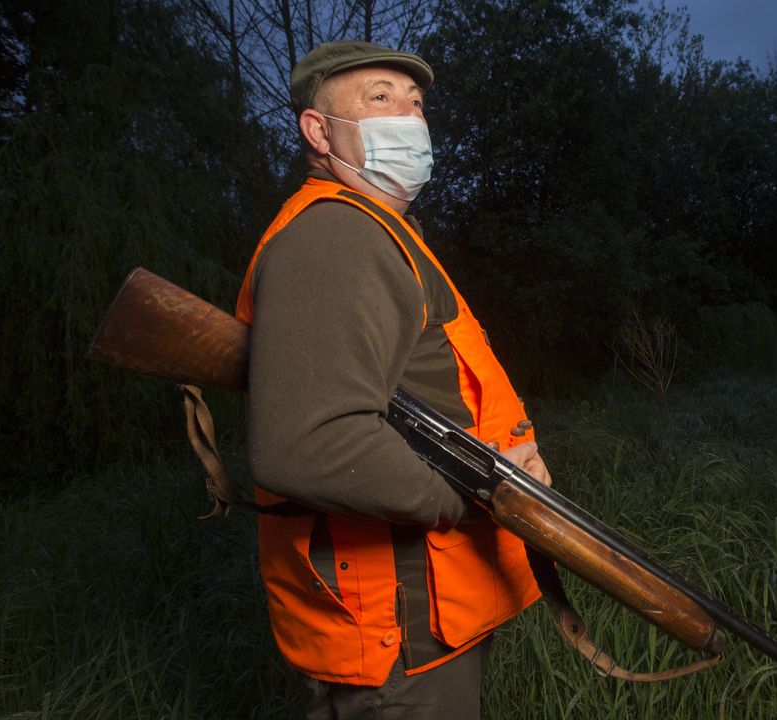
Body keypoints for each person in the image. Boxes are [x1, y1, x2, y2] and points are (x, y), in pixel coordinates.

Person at [233, 41, 550, 719]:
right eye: (380, 98)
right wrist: (483, 493)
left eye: (416, 103)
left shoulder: (385, 232)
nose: (408, 116)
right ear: (318, 131)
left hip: (427, 617)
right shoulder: (336, 238)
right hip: (397, 637)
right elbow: (309, 443)